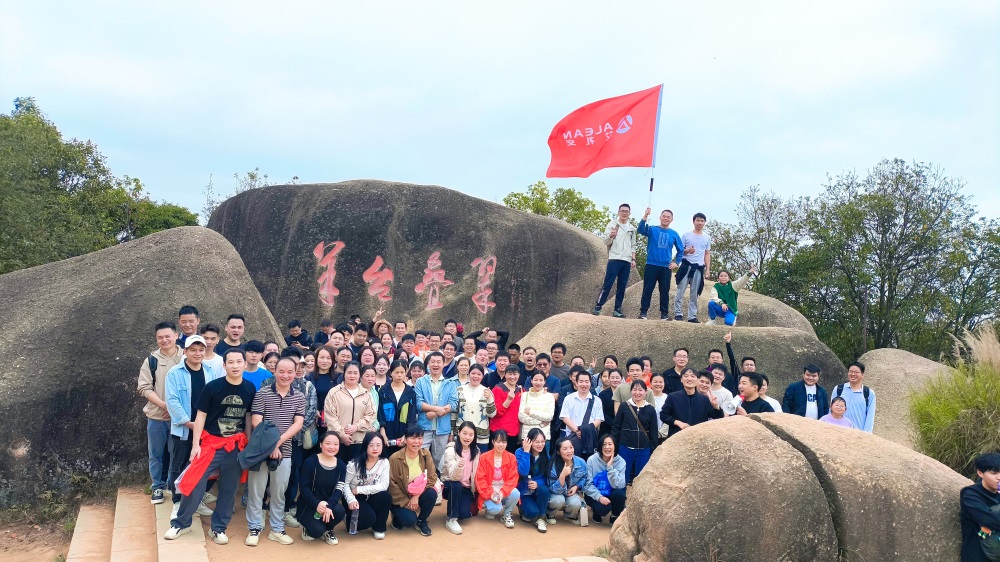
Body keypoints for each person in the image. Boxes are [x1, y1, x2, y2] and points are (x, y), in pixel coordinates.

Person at [165, 348, 255, 545]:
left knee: (229, 489)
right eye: (230, 362)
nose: (235, 365)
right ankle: (181, 523)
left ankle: (219, 528)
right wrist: (195, 445)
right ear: (224, 365)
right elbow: (201, 416)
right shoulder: (213, 387)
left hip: (235, 446)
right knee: (194, 483)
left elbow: (247, 417)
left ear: (245, 364)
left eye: (239, 362)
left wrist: (247, 443)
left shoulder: (249, 388)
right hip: (211, 443)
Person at [245, 357, 305, 546]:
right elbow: (256, 421)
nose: (285, 375)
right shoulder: (262, 394)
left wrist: (277, 444)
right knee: (257, 490)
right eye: (281, 371)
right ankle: (254, 527)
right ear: (274, 372)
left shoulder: (299, 397)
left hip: (285, 451)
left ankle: (277, 528)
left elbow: (298, 423)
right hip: (260, 450)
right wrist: (271, 446)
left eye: (290, 372)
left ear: (295, 373)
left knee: (280, 492)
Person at [164, 335, 221, 513]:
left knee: (202, 466)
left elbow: (215, 399)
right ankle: (178, 501)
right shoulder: (175, 372)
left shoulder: (210, 371)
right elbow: (172, 401)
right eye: (193, 350)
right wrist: (191, 423)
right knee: (178, 465)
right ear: (186, 351)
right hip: (183, 429)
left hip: (205, 430)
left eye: (201, 350)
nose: (197, 353)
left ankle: (197, 499)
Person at [138, 321, 184, 505]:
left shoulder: (186, 357)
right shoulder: (151, 360)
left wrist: (176, 410)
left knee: (177, 454)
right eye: (160, 337)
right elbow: (144, 387)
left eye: (168, 336)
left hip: (179, 418)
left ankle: (175, 487)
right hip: (157, 416)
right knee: (155, 454)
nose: (164, 340)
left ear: (176, 336)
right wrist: (165, 406)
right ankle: (157, 486)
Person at [295, 433, 346, 545]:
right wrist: (317, 503)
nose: (332, 447)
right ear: (321, 444)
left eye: (336, 444)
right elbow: (303, 488)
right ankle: (308, 528)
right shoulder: (310, 462)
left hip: (328, 505)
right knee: (316, 531)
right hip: (309, 505)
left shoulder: (341, 465)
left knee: (340, 511)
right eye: (328, 443)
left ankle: (328, 530)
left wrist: (328, 505)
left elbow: (339, 490)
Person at [388, 426, 437, 536]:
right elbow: (392, 484)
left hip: (417, 494)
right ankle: (396, 516)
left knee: (431, 493)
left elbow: (432, 477)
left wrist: (416, 496)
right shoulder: (395, 458)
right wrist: (406, 502)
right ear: (405, 439)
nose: (416, 442)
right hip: (400, 497)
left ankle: (421, 521)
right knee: (409, 521)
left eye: (420, 438)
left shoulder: (425, 455)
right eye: (412, 438)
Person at [341, 432, 392, 540]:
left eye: (378, 445)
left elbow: (384, 485)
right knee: (368, 519)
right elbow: (344, 484)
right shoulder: (354, 464)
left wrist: (360, 489)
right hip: (354, 497)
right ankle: (347, 518)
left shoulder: (384, 462)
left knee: (385, 496)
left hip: (368, 493)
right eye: (371, 445)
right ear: (365, 446)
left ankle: (379, 528)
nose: (375, 448)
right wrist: (350, 500)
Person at [636, 207, 683, 320]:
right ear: (660, 217)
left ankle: (664, 314)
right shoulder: (652, 229)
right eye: (664, 216)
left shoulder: (674, 234)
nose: (666, 218)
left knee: (664, 291)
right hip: (651, 264)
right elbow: (640, 229)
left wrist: (676, 262)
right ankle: (643, 313)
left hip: (666, 266)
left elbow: (681, 250)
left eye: (668, 217)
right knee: (648, 289)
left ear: (672, 219)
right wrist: (645, 216)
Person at [324, 361, 376, 462]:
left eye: (355, 373)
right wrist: (342, 434)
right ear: (344, 374)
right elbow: (330, 417)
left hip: (359, 441)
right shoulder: (334, 393)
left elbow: (371, 415)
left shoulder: (366, 394)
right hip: (337, 442)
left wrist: (357, 426)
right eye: (349, 372)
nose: (352, 376)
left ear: (360, 375)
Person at [415, 352, 459, 470]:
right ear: (428, 363)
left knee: (439, 461)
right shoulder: (421, 381)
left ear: (444, 364)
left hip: (443, 429)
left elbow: (454, 404)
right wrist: (437, 409)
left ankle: (437, 485)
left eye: (438, 362)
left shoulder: (450, 383)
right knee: (420, 458)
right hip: (424, 427)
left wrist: (435, 413)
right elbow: (419, 403)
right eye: (433, 362)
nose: (435, 364)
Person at [593, 203, 638, 318]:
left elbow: (633, 245)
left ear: (629, 214)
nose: (624, 213)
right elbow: (605, 241)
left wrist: (633, 259)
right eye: (622, 211)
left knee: (622, 286)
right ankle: (598, 306)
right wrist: (611, 236)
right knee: (608, 284)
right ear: (618, 212)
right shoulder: (612, 225)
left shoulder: (632, 229)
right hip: (614, 258)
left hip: (626, 260)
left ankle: (617, 309)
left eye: (626, 211)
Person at [611, 380, 659, 483]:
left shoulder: (650, 409)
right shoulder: (624, 406)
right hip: (625, 447)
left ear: (646, 392)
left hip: (644, 449)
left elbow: (654, 431)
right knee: (622, 476)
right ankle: (622, 497)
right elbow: (616, 427)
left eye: (640, 390)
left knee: (641, 478)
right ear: (631, 391)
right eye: (635, 390)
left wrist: (653, 449)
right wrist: (614, 445)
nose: (637, 393)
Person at [440, 422, 480, 535]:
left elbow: (476, 474)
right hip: (450, 485)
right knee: (456, 484)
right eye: (464, 433)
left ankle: (459, 511)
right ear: (458, 433)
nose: (467, 437)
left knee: (463, 515)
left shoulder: (476, 452)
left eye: (471, 434)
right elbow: (453, 476)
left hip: (466, 488)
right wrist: (459, 466)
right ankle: (451, 519)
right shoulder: (450, 450)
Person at [475, 430, 520, 529]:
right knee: (495, 509)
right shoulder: (484, 457)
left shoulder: (511, 458)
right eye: (498, 441)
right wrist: (491, 494)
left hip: (503, 491)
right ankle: (489, 509)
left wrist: (501, 493)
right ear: (493, 442)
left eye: (504, 442)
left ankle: (507, 515)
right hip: (489, 491)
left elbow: (513, 479)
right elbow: (480, 479)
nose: (501, 445)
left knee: (516, 493)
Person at [961, 452, 1000, 562]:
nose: (999, 478)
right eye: (994, 473)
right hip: (978, 555)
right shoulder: (970, 495)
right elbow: (991, 519)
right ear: (980, 473)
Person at [673, 212, 712, 322]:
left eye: (702, 221)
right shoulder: (686, 235)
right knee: (680, 291)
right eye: (698, 220)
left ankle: (692, 316)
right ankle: (678, 313)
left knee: (694, 294)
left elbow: (707, 254)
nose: (700, 223)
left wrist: (708, 270)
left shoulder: (707, 237)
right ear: (693, 221)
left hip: (698, 268)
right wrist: (687, 251)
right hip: (686, 265)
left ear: (704, 222)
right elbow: (680, 251)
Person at [559, 371, 603, 459]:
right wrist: (577, 431)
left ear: (590, 383)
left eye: (587, 381)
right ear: (576, 382)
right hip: (572, 438)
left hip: (590, 439)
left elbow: (598, 419)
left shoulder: (597, 400)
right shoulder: (569, 398)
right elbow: (565, 417)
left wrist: (585, 431)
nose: (584, 384)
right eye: (581, 381)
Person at [584, 435, 627, 524]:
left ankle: (614, 515)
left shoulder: (621, 462)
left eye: (610, 444)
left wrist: (610, 468)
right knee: (602, 509)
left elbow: (620, 485)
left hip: (612, 492)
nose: (607, 447)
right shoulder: (592, 460)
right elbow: (588, 484)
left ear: (615, 446)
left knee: (620, 494)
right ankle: (596, 512)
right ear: (600, 446)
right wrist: (599, 497)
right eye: (604, 444)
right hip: (596, 493)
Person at [379, 360, 418, 457]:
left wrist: (406, 435)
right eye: (396, 372)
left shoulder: (410, 392)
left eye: (402, 372)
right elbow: (380, 414)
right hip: (386, 434)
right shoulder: (384, 391)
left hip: (403, 435)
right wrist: (383, 434)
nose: (399, 375)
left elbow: (411, 416)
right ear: (391, 373)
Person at [515, 428, 551, 533]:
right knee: (531, 513)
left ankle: (542, 518)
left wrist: (538, 483)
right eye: (537, 442)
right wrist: (526, 452)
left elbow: (547, 477)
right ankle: (523, 508)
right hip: (524, 492)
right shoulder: (520, 452)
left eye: (543, 442)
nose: (540, 445)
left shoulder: (545, 456)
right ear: (529, 441)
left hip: (537, 490)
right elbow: (523, 472)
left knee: (544, 489)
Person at [547, 438, 589, 524]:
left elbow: (585, 477)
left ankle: (569, 516)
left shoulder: (581, 462)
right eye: (565, 449)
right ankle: (550, 514)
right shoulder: (553, 465)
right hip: (556, 493)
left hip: (571, 492)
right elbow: (554, 489)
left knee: (576, 503)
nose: (569, 451)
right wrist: (562, 475)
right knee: (558, 500)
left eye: (571, 447)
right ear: (558, 451)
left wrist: (577, 487)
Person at [832, 361, 876, 432]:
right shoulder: (838, 389)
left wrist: (866, 435)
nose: (853, 374)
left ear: (862, 375)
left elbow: (870, 417)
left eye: (856, 372)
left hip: (858, 434)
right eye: (851, 371)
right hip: (838, 431)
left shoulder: (869, 393)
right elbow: (831, 410)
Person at [491, 365, 523, 452]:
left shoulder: (521, 391)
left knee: (509, 459)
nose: (512, 377)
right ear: (505, 375)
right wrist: (508, 400)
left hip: (513, 432)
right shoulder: (498, 389)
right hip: (498, 431)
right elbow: (496, 413)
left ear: (519, 375)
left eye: (515, 374)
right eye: (509, 374)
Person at [520, 371, 556, 444]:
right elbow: (521, 417)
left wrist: (530, 413)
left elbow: (549, 416)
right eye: (535, 380)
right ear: (531, 381)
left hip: (544, 437)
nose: (538, 383)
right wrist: (541, 421)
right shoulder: (525, 395)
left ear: (544, 382)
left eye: (541, 380)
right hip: (527, 437)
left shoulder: (549, 397)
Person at [646, 373, 669, 442]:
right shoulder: (645, 397)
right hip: (647, 435)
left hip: (664, 436)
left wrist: (661, 433)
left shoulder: (668, 398)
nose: (658, 384)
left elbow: (670, 416)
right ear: (650, 383)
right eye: (655, 382)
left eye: (661, 382)